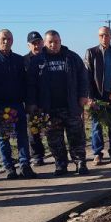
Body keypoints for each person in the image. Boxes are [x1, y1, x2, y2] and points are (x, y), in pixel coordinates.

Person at [27, 30, 90, 176]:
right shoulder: (37, 61)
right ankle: (60, 164)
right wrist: (32, 103)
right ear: (45, 43)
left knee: (76, 137)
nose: (53, 45)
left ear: (60, 41)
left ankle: (80, 162)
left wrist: (83, 96)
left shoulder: (72, 57)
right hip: (49, 109)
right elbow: (31, 84)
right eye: (50, 42)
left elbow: (83, 78)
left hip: (71, 106)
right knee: (55, 139)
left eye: (56, 42)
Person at [0, 29, 36, 180]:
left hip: (17, 104)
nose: (6, 41)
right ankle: (9, 167)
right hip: (0, 106)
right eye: (3, 39)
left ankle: (25, 165)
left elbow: (27, 83)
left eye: (9, 39)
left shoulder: (19, 60)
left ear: (13, 41)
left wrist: (29, 102)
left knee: (22, 136)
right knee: (3, 138)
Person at [84, 25, 111, 165]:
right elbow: (88, 76)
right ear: (98, 37)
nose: (104, 37)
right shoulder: (91, 53)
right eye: (101, 35)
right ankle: (97, 154)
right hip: (97, 96)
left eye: (107, 35)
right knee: (97, 126)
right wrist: (90, 97)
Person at [22, 31, 51, 166]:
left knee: (51, 129)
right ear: (28, 45)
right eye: (33, 43)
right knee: (33, 132)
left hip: (48, 100)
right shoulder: (24, 61)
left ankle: (57, 154)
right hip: (31, 101)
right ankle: (37, 156)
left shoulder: (48, 57)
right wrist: (29, 102)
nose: (37, 45)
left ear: (43, 43)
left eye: (39, 42)